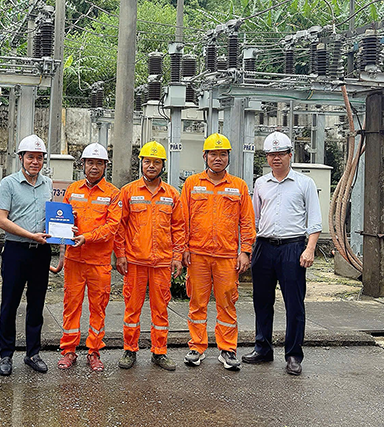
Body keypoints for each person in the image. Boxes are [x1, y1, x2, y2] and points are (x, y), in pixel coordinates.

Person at [243, 131, 321, 376]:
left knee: (294, 304)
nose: (276, 158)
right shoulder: (260, 184)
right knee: (262, 301)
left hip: (293, 247)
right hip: (264, 247)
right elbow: (252, 218)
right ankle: (263, 348)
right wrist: (247, 250)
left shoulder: (304, 184)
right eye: (271, 155)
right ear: (266, 158)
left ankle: (293, 355)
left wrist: (309, 249)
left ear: (290, 155)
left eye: (280, 154)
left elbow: (315, 221)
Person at [180, 133, 255, 371]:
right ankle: (197, 347)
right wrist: (183, 248)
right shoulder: (192, 184)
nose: (218, 158)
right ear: (205, 156)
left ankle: (227, 349)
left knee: (227, 304)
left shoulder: (239, 187)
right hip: (198, 255)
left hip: (226, 256)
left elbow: (247, 222)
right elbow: (183, 220)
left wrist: (245, 252)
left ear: (228, 157)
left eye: (223, 154)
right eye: (213, 154)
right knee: (197, 303)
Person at [115, 141, 185, 371]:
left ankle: (159, 352)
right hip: (135, 261)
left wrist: (177, 257)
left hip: (162, 262)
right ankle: (129, 350)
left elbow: (179, 228)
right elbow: (120, 227)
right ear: (141, 164)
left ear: (163, 165)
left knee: (161, 309)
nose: (151, 166)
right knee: (131, 309)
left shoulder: (172, 194)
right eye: (147, 161)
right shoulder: (128, 192)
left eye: (156, 162)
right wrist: (121, 255)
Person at [0, 134, 58, 376]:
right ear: (21, 158)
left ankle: (33, 353)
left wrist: (63, 230)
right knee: (9, 304)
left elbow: (52, 217)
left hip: (41, 252)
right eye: (30, 157)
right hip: (16, 250)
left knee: (36, 304)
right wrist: (30, 235)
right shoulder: (9, 184)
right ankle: (6, 355)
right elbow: (1, 220)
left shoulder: (48, 184)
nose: (35, 161)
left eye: (39, 158)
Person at [58, 143, 121, 372]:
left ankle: (94, 352)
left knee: (98, 307)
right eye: (90, 162)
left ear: (105, 166)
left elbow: (112, 227)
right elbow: (61, 221)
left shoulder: (113, 194)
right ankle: (68, 351)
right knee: (71, 306)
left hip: (99, 262)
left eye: (99, 163)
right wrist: (66, 228)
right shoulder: (72, 190)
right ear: (82, 165)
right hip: (75, 260)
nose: (94, 167)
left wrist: (87, 237)